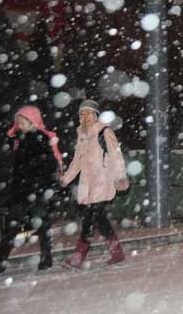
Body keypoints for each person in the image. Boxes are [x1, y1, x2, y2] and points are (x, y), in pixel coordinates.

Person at [59, 100, 129, 269]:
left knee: (89, 219)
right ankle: (117, 252)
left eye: (89, 113)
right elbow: (77, 160)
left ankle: (79, 256)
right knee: (100, 219)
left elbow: (116, 156)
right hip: (87, 183)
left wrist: (120, 177)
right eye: (82, 113)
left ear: (96, 115)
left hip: (102, 181)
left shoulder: (104, 131)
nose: (85, 116)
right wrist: (66, 178)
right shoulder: (81, 134)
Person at [0, 105, 64, 273]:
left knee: (35, 225)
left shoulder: (38, 139)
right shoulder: (21, 139)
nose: (19, 124)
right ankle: (2, 260)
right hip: (25, 191)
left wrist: (37, 184)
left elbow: (49, 166)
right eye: (18, 121)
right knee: (23, 226)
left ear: (32, 121)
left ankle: (42, 258)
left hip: (35, 191)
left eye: (22, 121)